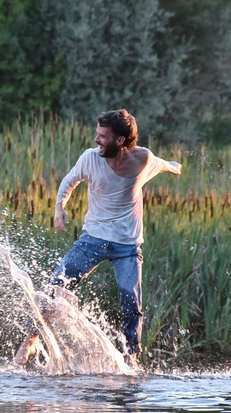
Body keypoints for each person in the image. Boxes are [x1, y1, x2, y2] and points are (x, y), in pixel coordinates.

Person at [14, 109, 181, 368]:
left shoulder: (143, 159)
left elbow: (163, 164)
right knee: (56, 284)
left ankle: (131, 358)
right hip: (93, 239)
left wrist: (173, 167)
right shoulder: (90, 159)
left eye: (102, 136)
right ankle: (29, 342)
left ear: (121, 141)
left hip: (127, 245)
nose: (96, 140)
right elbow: (69, 181)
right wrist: (60, 208)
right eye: (97, 134)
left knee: (131, 300)